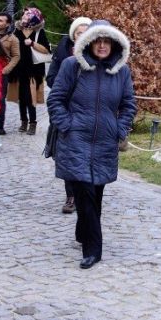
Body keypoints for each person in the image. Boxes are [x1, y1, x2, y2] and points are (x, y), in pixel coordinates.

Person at [47, 20, 137, 269]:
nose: (102, 46)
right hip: (76, 140)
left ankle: (82, 230)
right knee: (84, 192)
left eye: (107, 41)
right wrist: (67, 125)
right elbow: (56, 99)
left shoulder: (121, 72)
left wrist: (119, 129)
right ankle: (93, 249)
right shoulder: (71, 66)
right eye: (97, 41)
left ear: (114, 44)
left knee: (95, 193)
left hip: (105, 143)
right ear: (88, 42)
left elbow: (129, 104)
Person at [46, 16, 91, 214]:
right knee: (65, 155)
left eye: (86, 32)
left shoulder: (98, 53)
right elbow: (51, 78)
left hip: (89, 113)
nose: (82, 35)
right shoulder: (64, 50)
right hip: (66, 111)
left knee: (86, 154)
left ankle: (86, 192)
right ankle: (71, 195)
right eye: (79, 32)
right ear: (73, 34)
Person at [9, 6, 50, 136]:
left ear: (33, 17)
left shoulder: (39, 33)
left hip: (33, 70)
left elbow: (46, 51)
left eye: (27, 15)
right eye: (24, 14)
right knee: (21, 98)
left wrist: (32, 43)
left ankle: (33, 123)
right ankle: (23, 121)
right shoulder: (17, 30)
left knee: (30, 97)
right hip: (18, 70)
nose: (23, 16)